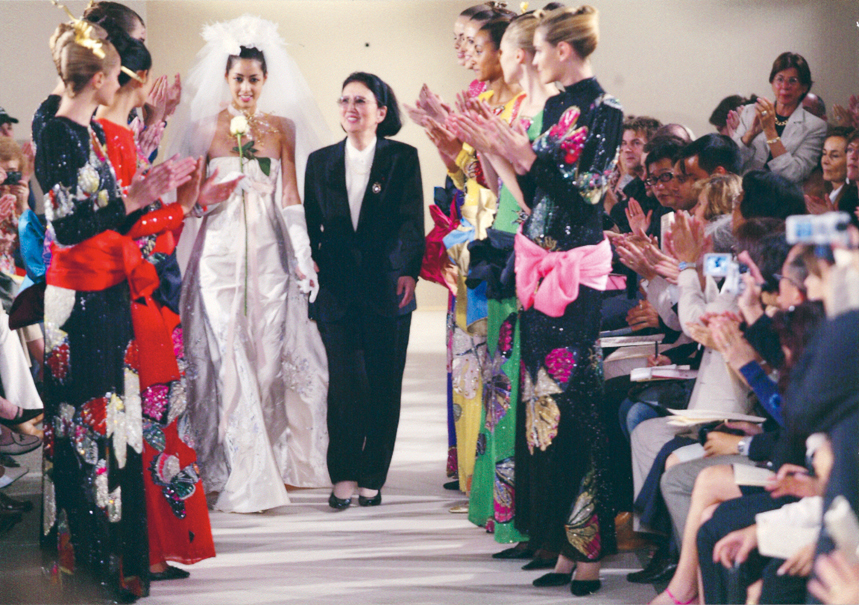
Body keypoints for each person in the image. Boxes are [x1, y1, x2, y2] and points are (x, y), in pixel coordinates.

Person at [36, 18, 195, 602]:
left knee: (116, 427)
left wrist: (155, 197)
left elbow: (110, 213)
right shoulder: (58, 133)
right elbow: (67, 225)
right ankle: (91, 565)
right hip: (77, 305)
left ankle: (119, 562)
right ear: (99, 78)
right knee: (84, 428)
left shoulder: (93, 136)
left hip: (107, 297)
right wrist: (136, 197)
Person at [93, 23, 239, 579]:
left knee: (157, 425)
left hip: (145, 295)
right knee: (152, 426)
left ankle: (153, 547)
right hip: (134, 300)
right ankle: (147, 549)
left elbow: (142, 220)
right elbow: (129, 230)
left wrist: (187, 203)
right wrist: (186, 204)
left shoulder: (115, 137)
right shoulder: (109, 139)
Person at [486, 5, 622, 595]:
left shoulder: (606, 111)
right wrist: (494, 149)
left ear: (564, 50)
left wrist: (526, 156)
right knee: (543, 410)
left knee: (578, 407)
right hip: (539, 269)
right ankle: (561, 542)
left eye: (539, 49)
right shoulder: (553, 109)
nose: (533, 59)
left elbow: (586, 196)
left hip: (575, 274)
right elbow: (533, 190)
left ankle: (589, 550)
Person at [174, 15, 331, 513]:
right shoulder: (203, 128)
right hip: (217, 257)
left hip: (269, 255)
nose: (246, 87)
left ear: (266, 80)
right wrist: (205, 198)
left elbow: (290, 196)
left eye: (254, 79)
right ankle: (236, 470)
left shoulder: (281, 128)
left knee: (266, 358)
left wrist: (302, 255)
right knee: (226, 356)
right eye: (238, 78)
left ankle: (265, 459)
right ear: (225, 78)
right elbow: (186, 204)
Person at [305, 72, 423, 510]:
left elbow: (412, 220)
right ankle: (343, 474)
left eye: (360, 101)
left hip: (387, 285)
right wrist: (308, 262)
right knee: (345, 385)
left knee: (384, 383)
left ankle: (372, 475)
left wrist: (408, 270)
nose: (350, 108)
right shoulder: (320, 161)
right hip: (336, 289)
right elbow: (310, 223)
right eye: (344, 100)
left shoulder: (402, 158)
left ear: (381, 111)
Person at [732, 52, 827, 183]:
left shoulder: (815, 127)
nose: (785, 86)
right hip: (746, 189)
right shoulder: (750, 112)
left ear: (804, 87)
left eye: (792, 81)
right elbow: (731, 161)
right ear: (772, 82)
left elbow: (794, 174)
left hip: (783, 194)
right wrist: (749, 135)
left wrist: (771, 132)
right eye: (780, 79)